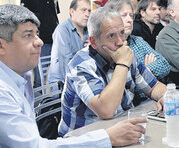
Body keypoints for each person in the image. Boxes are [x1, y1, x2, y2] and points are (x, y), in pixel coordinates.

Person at [0, 4, 147, 148]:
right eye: (28, 35)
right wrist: (107, 138)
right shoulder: (2, 91)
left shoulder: (20, 78)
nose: (40, 42)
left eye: (37, 34)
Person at [58, 7, 166, 136]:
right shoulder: (81, 64)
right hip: (84, 139)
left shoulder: (124, 54)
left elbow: (154, 87)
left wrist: (165, 96)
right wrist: (122, 64)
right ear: (94, 42)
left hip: (120, 128)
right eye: (111, 36)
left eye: (122, 33)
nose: (120, 42)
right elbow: (106, 110)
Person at [104, 0, 170, 81]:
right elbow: (121, 83)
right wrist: (145, 71)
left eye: (131, 15)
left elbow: (164, 65)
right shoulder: (107, 47)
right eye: (124, 15)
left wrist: (144, 71)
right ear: (110, 18)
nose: (129, 20)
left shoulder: (137, 40)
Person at [21, 0, 60, 87]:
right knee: (39, 79)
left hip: (55, 42)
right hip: (39, 43)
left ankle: (56, 102)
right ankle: (36, 103)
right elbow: (24, 22)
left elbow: (55, 17)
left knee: (57, 76)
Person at [48, 0, 90, 84]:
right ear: (72, 11)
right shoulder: (62, 30)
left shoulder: (88, 30)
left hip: (82, 78)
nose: (87, 14)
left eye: (89, 11)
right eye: (83, 10)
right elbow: (66, 63)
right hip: (62, 83)